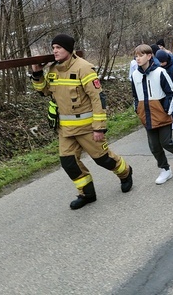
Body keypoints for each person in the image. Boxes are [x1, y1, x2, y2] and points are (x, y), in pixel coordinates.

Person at [31, 34, 133, 210]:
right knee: (69, 163)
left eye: (58, 48)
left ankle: (125, 173)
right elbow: (44, 91)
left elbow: (98, 99)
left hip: (87, 128)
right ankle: (87, 193)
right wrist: (37, 73)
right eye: (53, 47)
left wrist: (99, 128)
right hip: (66, 130)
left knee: (104, 160)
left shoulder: (84, 68)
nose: (54, 51)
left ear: (68, 50)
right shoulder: (53, 69)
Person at [131, 45, 173, 184]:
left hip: (162, 114)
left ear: (149, 56)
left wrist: (167, 110)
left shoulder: (160, 72)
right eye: (136, 56)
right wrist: (137, 109)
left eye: (141, 55)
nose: (138, 58)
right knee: (154, 146)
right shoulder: (135, 75)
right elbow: (135, 95)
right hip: (146, 114)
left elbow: (172, 92)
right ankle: (165, 169)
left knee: (166, 142)